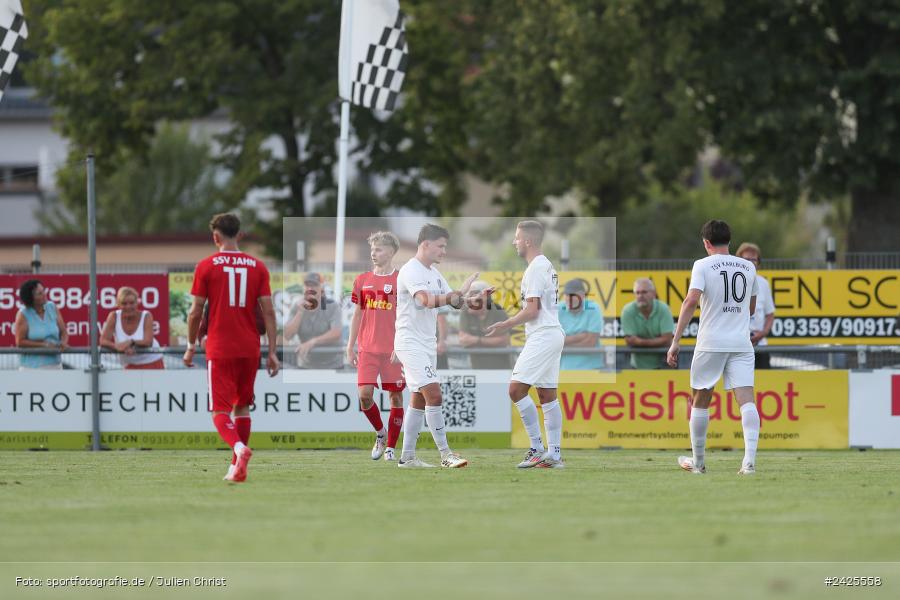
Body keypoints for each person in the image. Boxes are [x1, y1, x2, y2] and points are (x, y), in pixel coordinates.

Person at [183, 213, 280, 483]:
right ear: (240, 235)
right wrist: (272, 351)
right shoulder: (258, 266)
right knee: (243, 407)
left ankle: (239, 450)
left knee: (219, 410)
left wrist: (191, 345)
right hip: (250, 346)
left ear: (216, 237)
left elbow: (195, 312)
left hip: (220, 346)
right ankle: (236, 467)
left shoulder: (206, 266)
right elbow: (269, 313)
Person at [393, 223, 492, 468]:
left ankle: (407, 458)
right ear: (425, 244)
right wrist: (456, 295)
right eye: (441, 246)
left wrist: (471, 298)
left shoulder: (434, 274)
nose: (444, 251)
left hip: (427, 343)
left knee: (418, 398)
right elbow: (426, 301)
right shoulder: (411, 270)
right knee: (434, 395)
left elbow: (454, 303)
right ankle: (446, 454)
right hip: (410, 341)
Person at [667, 220, 760, 476]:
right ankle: (749, 462)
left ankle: (698, 463)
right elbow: (750, 309)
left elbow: (691, 301)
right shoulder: (749, 267)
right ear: (729, 241)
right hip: (741, 343)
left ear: (706, 243)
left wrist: (675, 341)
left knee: (701, 400)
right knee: (746, 401)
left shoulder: (702, 265)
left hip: (712, 341)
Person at [484, 220, 566, 468]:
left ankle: (536, 448)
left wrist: (505, 324)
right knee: (547, 395)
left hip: (543, 334)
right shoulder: (545, 266)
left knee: (515, 390)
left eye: (517, 238)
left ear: (528, 241)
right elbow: (533, 308)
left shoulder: (535, 268)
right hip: (551, 333)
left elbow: (531, 310)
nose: (514, 242)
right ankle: (554, 455)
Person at [347, 231, 406, 462]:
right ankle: (380, 433)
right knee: (364, 396)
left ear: (391, 252)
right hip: (368, 349)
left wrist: (400, 345)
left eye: (379, 249)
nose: (374, 253)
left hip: (393, 351)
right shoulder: (362, 280)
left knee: (396, 398)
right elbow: (357, 314)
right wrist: (350, 345)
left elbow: (406, 317)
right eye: (372, 249)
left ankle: (391, 447)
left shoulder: (401, 280)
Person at [283, 273, 343, 369]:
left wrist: (313, 342)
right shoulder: (297, 306)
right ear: (303, 288)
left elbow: (336, 333)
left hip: (333, 365)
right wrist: (300, 312)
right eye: (307, 285)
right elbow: (287, 335)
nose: (310, 288)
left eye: (314, 285)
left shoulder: (332, 306)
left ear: (321, 289)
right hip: (306, 365)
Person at [100, 287, 165, 369]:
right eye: (124, 303)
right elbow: (103, 340)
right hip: (128, 364)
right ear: (118, 304)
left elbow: (148, 342)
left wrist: (131, 342)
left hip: (151, 361)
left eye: (131, 303)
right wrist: (116, 346)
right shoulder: (114, 316)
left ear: (137, 303)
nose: (128, 307)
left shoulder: (146, 315)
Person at [736, 242, 775, 369]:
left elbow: (770, 314)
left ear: (758, 262)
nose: (751, 262)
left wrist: (763, 333)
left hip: (760, 346)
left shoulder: (763, 283)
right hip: (737, 345)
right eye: (746, 259)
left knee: (764, 385)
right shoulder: (733, 282)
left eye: (754, 259)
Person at [457, 280, 512, 369]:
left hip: (500, 368)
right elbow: (463, 340)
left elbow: (504, 341)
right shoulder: (465, 311)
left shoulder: (498, 311)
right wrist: (491, 341)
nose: (468, 301)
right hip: (476, 368)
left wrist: (476, 340)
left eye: (472, 297)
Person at [621, 278, 674, 369]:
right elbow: (630, 340)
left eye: (644, 292)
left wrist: (640, 341)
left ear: (653, 294)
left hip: (663, 365)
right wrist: (657, 340)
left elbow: (667, 340)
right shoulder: (627, 310)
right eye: (637, 293)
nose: (640, 295)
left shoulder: (664, 309)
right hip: (636, 366)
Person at [15, 279, 68, 369]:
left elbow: (63, 332)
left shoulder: (52, 307)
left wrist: (63, 342)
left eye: (44, 291)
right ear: (31, 298)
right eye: (40, 293)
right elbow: (20, 342)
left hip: (55, 364)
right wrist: (44, 345)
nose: (44, 294)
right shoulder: (23, 314)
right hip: (31, 367)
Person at [558, 278, 604, 370]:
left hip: (592, 368)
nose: (569, 298)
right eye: (567, 295)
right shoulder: (558, 309)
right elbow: (554, 341)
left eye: (573, 295)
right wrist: (580, 336)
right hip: (564, 369)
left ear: (583, 296)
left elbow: (590, 343)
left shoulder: (593, 308)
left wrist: (563, 346)